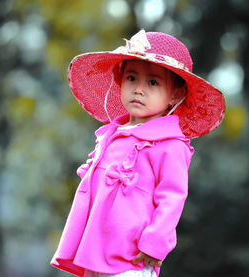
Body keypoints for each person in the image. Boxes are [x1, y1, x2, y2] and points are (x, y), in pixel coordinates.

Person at [50, 30, 225, 277]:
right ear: (120, 80)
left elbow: (173, 197)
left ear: (175, 94)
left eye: (153, 82)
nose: (139, 90)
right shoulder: (111, 135)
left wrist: (155, 242)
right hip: (96, 249)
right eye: (132, 78)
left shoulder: (170, 144)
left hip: (131, 256)